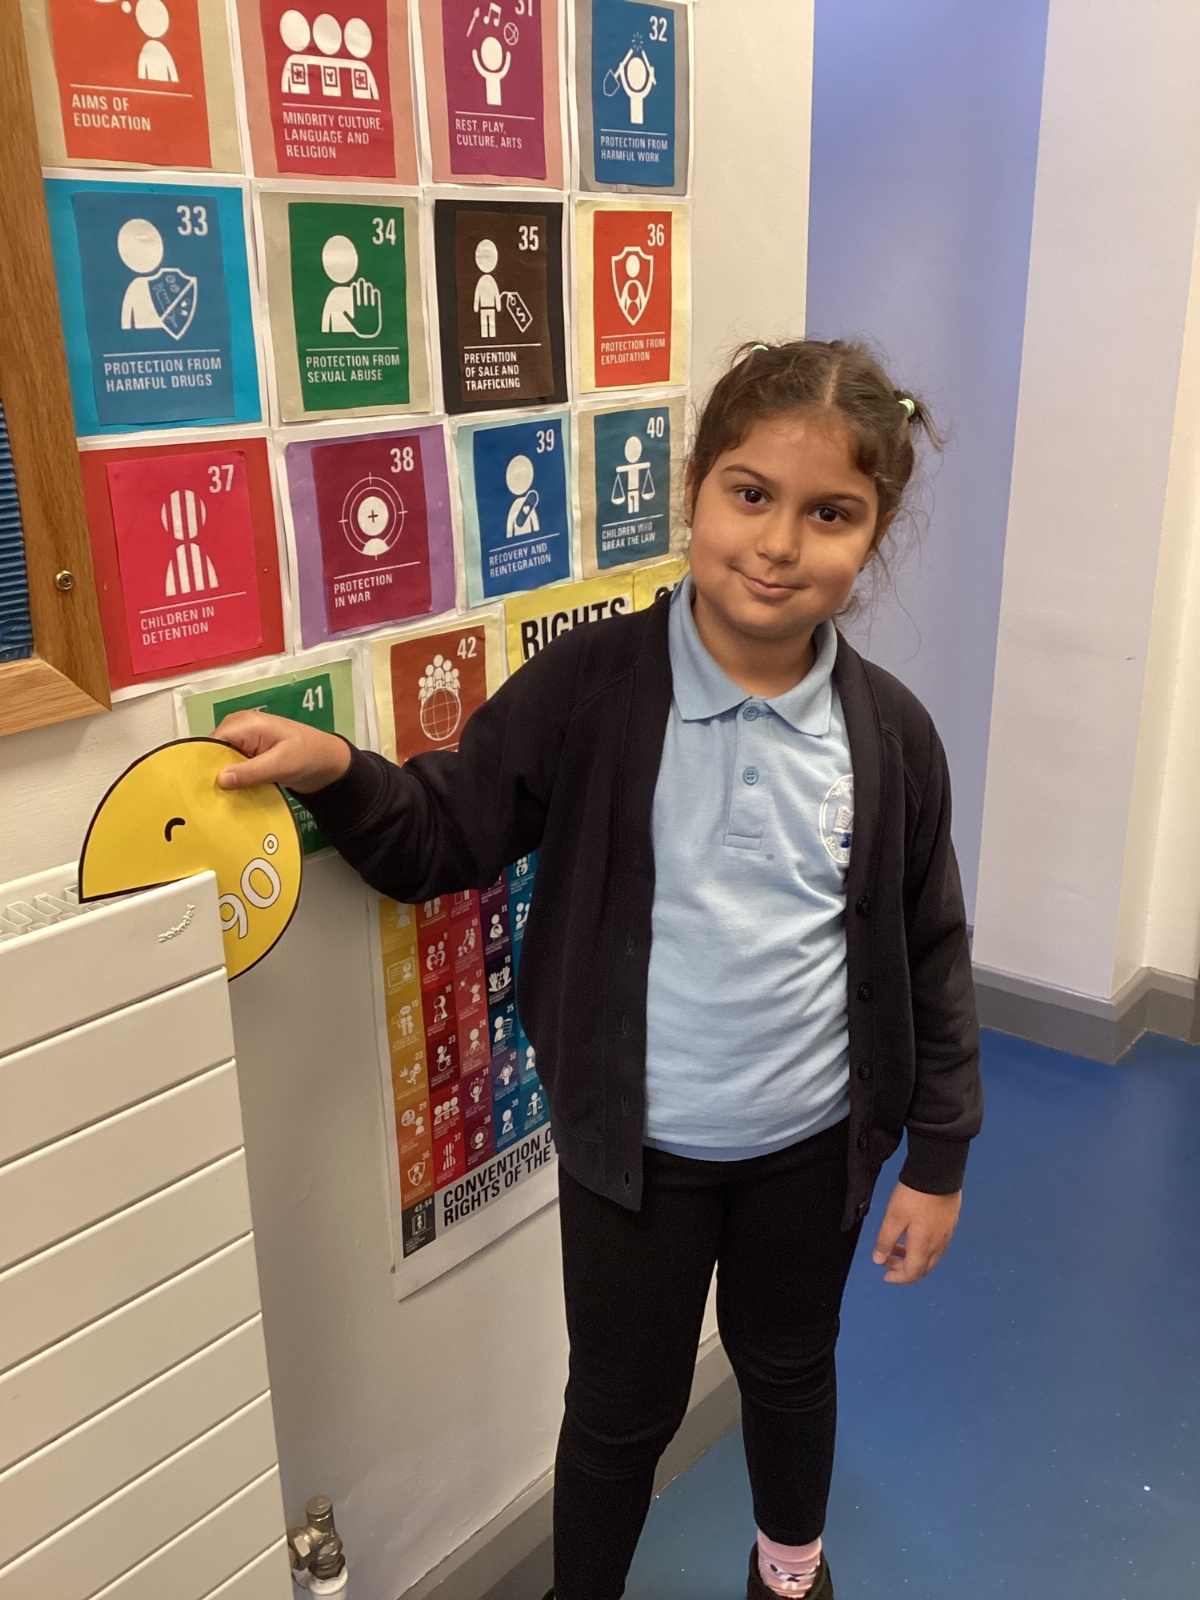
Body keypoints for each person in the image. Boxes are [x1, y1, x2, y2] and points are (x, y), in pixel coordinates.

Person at [214, 339, 983, 1600]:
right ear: (695, 488)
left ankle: (790, 1571)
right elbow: (447, 828)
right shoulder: (590, 690)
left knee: (791, 1366)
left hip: (813, 1146)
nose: (779, 543)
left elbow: (931, 946)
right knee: (620, 1407)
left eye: (829, 514)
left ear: (875, 534)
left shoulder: (891, 734)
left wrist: (938, 1157)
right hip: (636, 1157)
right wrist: (341, 773)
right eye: (751, 494)